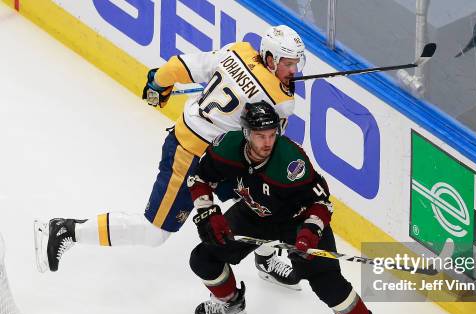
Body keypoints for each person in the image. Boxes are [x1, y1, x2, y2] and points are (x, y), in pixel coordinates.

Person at [34, 25, 306, 289]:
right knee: (154, 233)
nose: (294, 71)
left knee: (264, 207)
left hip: (222, 158)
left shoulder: (237, 51)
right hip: (190, 154)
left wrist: (157, 83)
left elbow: (177, 67)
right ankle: (66, 230)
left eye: (297, 64)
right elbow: (265, 141)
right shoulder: (282, 101)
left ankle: (266, 260)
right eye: (288, 64)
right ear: (270, 59)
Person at [187, 101, 383, 314]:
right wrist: (207, 213)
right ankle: (230, 302)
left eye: (271, 134)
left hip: (298, 223)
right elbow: (198, 177)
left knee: (327, 282)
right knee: (203, 258)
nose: (267, 142)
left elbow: (322, 204)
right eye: (260, 135)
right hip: (254, 213)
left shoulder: (291, 162)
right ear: (245, 133)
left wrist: (310, 232)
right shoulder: (227, 147)